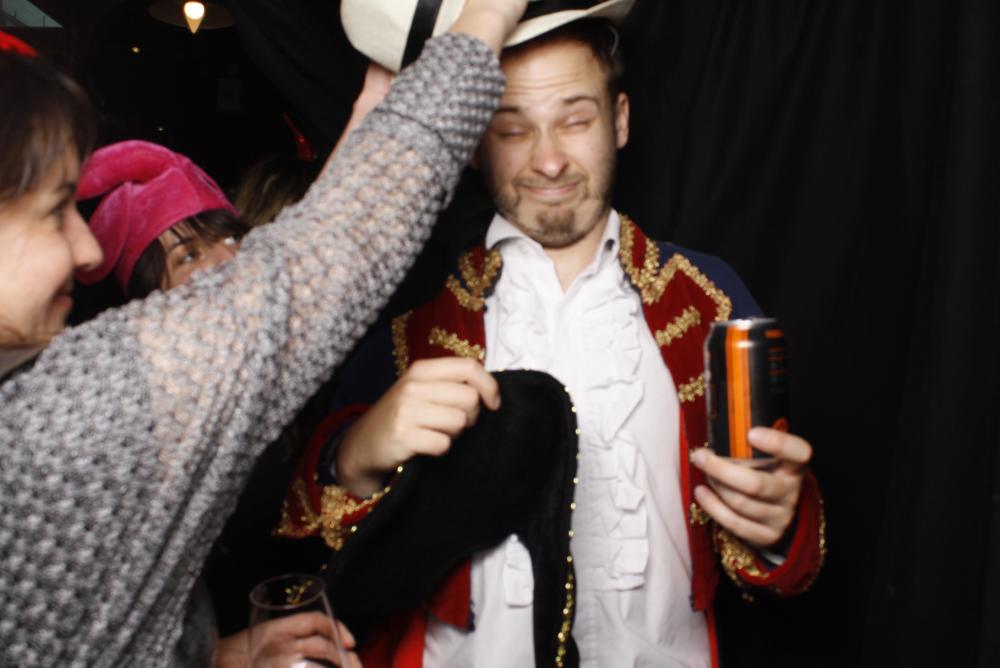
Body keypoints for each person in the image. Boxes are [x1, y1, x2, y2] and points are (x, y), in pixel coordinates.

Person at [281, 16, 825, 668]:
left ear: (620, 121)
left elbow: (781, 544)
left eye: (575, 120)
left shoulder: (708, 298)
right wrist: (354, 455)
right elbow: (302, 530)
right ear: (475, 142)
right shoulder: (412, 316)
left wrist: (779, 523)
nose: (548, 160)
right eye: (513, 129)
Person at [0, 0, 529, 665]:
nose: (84, 252)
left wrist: (215, 656)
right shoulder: (43, 433)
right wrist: (489, 14)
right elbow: (314, 270)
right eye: (54, 212)